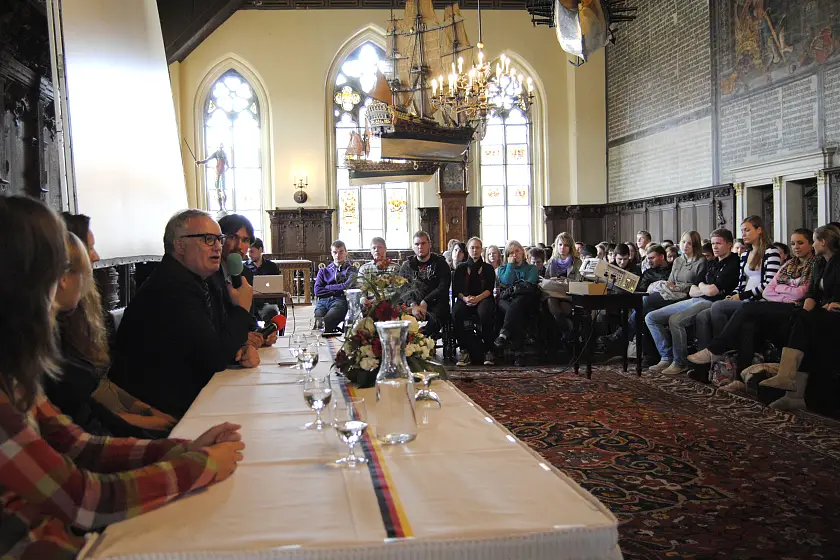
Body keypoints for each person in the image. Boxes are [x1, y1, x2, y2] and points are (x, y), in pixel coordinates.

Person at [0, 196, 245, 559]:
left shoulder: (15, 367)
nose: (88, 262)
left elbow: (80, 446)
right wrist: (199, 465)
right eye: (62, 264)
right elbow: (82, 499)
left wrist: (183, 448)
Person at [110, 210, 259, 419]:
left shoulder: (193, 281)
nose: (218, 246)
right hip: (158, 413)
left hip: (183, 395)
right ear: (180, 245)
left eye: (219, 239)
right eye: (209, 240)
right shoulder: (172, 288)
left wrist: (243, 345)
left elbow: (216, 340)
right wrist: (241, 310)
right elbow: (215, 358)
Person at [44, 232, 176, 438]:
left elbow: (96, 392)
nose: (96, 257)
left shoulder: (65, 323)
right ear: (62, 274)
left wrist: (143, 409)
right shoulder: (44, 342)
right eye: (88, 249)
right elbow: (82, 435)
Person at [688, 228, 816, 376]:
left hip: (790, 308)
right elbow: (769, 290)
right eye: (793, 243)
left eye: (800, 243)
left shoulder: (814, 264)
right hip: (774, 303)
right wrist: (786, 293)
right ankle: (738, 375)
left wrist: (781, 290)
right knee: (746, 325)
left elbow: (802, 292)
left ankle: (718, 350)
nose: (796, 247)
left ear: (811, 244)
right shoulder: (789, 264)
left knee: (733, 307)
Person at [757, 225, 840, 410]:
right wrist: (806, 313)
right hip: (824, 312)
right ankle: (793, 394)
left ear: (823, 242)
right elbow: (811, 294)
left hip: (836, 313)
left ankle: (787, 379)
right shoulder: (820, 263)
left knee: (805, 323)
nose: (814, 245)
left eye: (815, 241)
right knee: (801, 319)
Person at [645, 228, 740, 375]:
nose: (714, 247)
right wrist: (703, 287)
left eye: (718, 244)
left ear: (729, 244)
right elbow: (693, 289)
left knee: (675, 321)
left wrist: (702, 287)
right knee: (651, 317)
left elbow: (712, 291)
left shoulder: (733, 262)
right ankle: (666, 356)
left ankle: (680, 362)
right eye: (713, 243)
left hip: (714, 302)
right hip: (696, 297)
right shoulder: (712, 262)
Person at [694, 216, 781, 350]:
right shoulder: (746, 255)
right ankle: (707, 361)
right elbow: (741, 284)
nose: (743, 234)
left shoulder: (771, 252)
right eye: (742, 231)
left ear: (759, 230)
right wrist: (734, 295)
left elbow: (769, 285)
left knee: (718, 306)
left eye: (747, 230)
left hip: (761, 300)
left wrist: (741, 296)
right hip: (745, 298)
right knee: (703, 316)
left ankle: (722, 351)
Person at [453, 237, 497, 367]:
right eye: (472, 247)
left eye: (477, 248)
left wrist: (477, 298)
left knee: (485, 314)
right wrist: (465, 298)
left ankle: (488, 350)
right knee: (456, 313)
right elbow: (457, 290)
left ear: (481, 250)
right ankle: (464, 350)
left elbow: (490, 288)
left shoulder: (488, 268)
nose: (475, 250)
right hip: (465, 298)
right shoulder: (461, 268)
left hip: (483, 298)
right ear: (468, 249)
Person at [399, 231, 451, 338]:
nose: (420, 247)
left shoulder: (441, 263)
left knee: (437, 316)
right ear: (413, 246)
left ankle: (421, 340)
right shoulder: (407, 265)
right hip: (413, 304)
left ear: (429, 244)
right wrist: (413, 305)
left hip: (436, 303)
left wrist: (425, 302)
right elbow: (402, 288)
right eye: (417, 244)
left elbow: (443, 287)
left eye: (423, 243)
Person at [494, 240, 540, 360]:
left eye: (517, 251)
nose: (515, 255)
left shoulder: (531, 268)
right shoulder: (503, 269)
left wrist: (515, 287)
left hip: (526, 301)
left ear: (522, 252)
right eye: (511, 253)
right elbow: (507, 281)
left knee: (518, 304)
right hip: (506, 300)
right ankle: (519, 352)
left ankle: (504, 334)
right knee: (516, 310)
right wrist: (510, 266)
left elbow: (529, 283)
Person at [314, 240, 357, 333]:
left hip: (340, 300)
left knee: (327, 321)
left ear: (346, 253)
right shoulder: (323, 271)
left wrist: (328, 287)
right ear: (331, 253)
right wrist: (338, 289)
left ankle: (331, 342)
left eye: (341, 252)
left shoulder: (351, 270)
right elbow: (317, 291)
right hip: (323, 301)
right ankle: (322, 344)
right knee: (318, 323)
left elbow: (347, 286)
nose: (338, 255)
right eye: (335, 252)